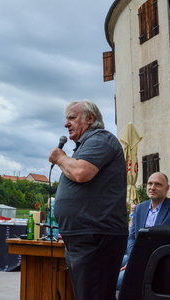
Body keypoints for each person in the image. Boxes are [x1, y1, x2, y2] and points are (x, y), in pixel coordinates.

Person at [48, 100, 128, 300]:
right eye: (66, 119)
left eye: (72, 118)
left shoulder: (101, 139)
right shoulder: (86, 145)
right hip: (84, 238)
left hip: (96, 236)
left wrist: (60, 158)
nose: (66, 124)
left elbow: (81, 172)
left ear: (90, 119)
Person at [117, 172, 170, 290]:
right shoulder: (140, 208)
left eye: (158, 184)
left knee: (116, 282)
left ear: (167, 188)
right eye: (150, 184)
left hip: (159, 259)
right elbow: (132, 237)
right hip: (137, 254)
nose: (152, 187)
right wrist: (133, 257)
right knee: (106, 269)